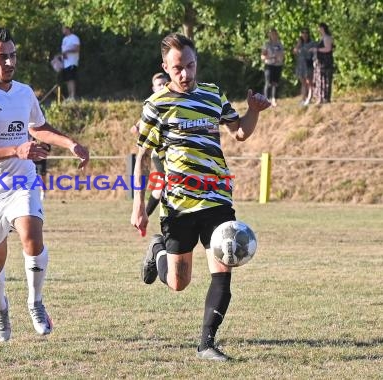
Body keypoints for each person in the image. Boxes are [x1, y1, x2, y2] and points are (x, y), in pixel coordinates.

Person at [130, 33, 271, 361]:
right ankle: (158, 249)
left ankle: (206, 344)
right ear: (165, 67)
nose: (185, 73)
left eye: (190, 65)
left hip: (217, 198)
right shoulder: (156, 105)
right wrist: (139, 204)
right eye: (178, 67)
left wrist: (254, 111)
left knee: (224, 267)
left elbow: (239, 132)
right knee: (179, 283)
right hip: (178, 204)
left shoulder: (212, 95)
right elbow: (140, 156)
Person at [0, 26, 89, 342]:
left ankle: (35, 302)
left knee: (31, 232)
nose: (9, 62)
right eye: (1, 56)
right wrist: (16, 148)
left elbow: (39, 127)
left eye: (12, 55)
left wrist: (69, 143)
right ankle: (1, 310)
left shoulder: (24, 92)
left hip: (21, 180)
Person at [130, 72, 170, 216]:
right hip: (156, 152)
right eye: (159, 84)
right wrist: (137, 126)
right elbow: (144, 121)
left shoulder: (171, 101)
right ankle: (145, 213)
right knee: (167, 182)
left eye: (165, 83)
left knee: (162, 185)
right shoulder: (152, 103)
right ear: (153, 88)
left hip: (169, 151)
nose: (162, 87)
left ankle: (144, 214)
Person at [310, 22, 334, 104]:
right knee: (320, 79)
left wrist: (317, 50)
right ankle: (321, 97)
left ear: (322, 28)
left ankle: (324, 97)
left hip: (325, 61)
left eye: (319, 28)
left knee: (325, 79)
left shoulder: (327, 38)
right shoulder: (323, 38)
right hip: (321, 62)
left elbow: (328, 49)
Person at [260, 28, 284, 107]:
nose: (273, 35)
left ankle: (274, 99)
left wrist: (279, 56)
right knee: (268, 83)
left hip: (278, 65)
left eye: (275, 34)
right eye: (272, 34)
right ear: (269, 35)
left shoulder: (280, 44)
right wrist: (269, 57)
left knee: (275, 83)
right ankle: (266, 100)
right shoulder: (267, 44)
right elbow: (263, 56)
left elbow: (282, 54)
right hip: (269, 65)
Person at [293, 28, 315, 106]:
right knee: (303, 82)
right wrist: (298, 45)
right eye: (303, 33)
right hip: (300, 65)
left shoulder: (312, 43)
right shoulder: (300, 43)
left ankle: (309, 98)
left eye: (306, 33)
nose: (305, 35)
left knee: (309, 82)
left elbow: (313, 53)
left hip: (308, 64)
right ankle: (303, 99)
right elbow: (295, 51)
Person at [60, 25, 80, 101]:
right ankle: (70, 96)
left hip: (72, 62)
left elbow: (77, 49)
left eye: (63, 29)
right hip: (66, 63)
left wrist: (67, 51)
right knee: (67, 80)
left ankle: (73, 96)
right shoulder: (64, 39)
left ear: (68, 29)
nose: (62, 30)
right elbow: (63, 50)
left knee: (71, 79)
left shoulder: (74, 38)